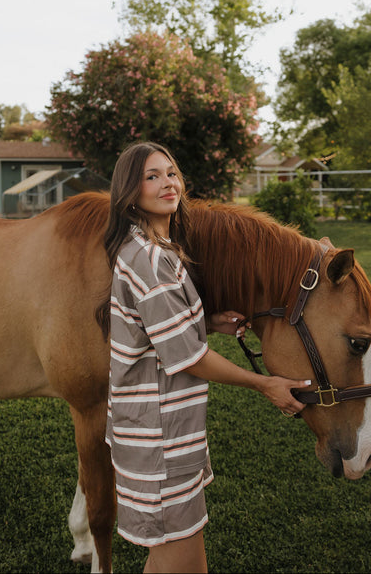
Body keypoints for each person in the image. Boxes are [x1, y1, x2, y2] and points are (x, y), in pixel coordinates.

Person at [97, 141, 309, 573]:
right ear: (129, 192)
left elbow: (153, 331)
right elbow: (190, 359)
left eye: (171, 173)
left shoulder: (160, 249)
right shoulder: (148, 260)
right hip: (158, 443)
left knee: (168, 561)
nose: (167, 183)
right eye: (151, 177)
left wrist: (208, 322)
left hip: (167, 434)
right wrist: (264, 384)